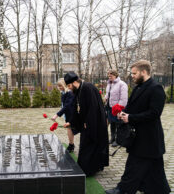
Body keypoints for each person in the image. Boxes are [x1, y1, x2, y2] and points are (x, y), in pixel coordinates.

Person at [106, 60, 171, 194]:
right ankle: (158, 190)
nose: (132, 76)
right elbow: (132, 106)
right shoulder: (138, 87)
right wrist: (123, 114)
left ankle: (123, 189)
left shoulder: (156, 88)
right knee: (154, 170)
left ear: (143, 72)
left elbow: (154, 113)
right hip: (139, 136)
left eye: (134, 73)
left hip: (149, 137)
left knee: (134, 165)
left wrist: (130, 118)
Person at [64, 72, 109, 176]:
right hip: (87, 123)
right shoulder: (78, 91)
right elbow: (76, 109)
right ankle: (88, 167)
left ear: (75, 82)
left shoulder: (88, 88)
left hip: (94, 123)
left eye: (69, 86)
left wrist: (88, 123)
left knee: (91, 144)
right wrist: (70, 122)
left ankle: (90, 169)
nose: (69, 88)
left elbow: (93, 108)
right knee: (86, 145)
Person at [51, 78, 76, 153]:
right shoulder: (64, 93)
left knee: (70, 129)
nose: (59, 87)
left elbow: (67, 106)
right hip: (67, 113)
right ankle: (71, 144)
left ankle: (71, 145)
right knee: (69, 129)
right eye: (58, 86)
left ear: (65, 85)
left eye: (60, 86)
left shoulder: (70, 93)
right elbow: (64, 106)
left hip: (72, 114)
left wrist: (57, 115)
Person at [104, 69, 128, 147]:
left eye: (111, 76)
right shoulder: (109, 84)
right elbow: (108, 93)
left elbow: (124, 98)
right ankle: (112, 138)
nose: (109, 77)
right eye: (108, 76)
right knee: (112, 123)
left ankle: (118, 140)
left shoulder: (122, 84)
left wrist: (119, 109)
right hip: (110, 107)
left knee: (119, 124)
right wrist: (105, 98)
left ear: (115, 75)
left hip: (117, 108)